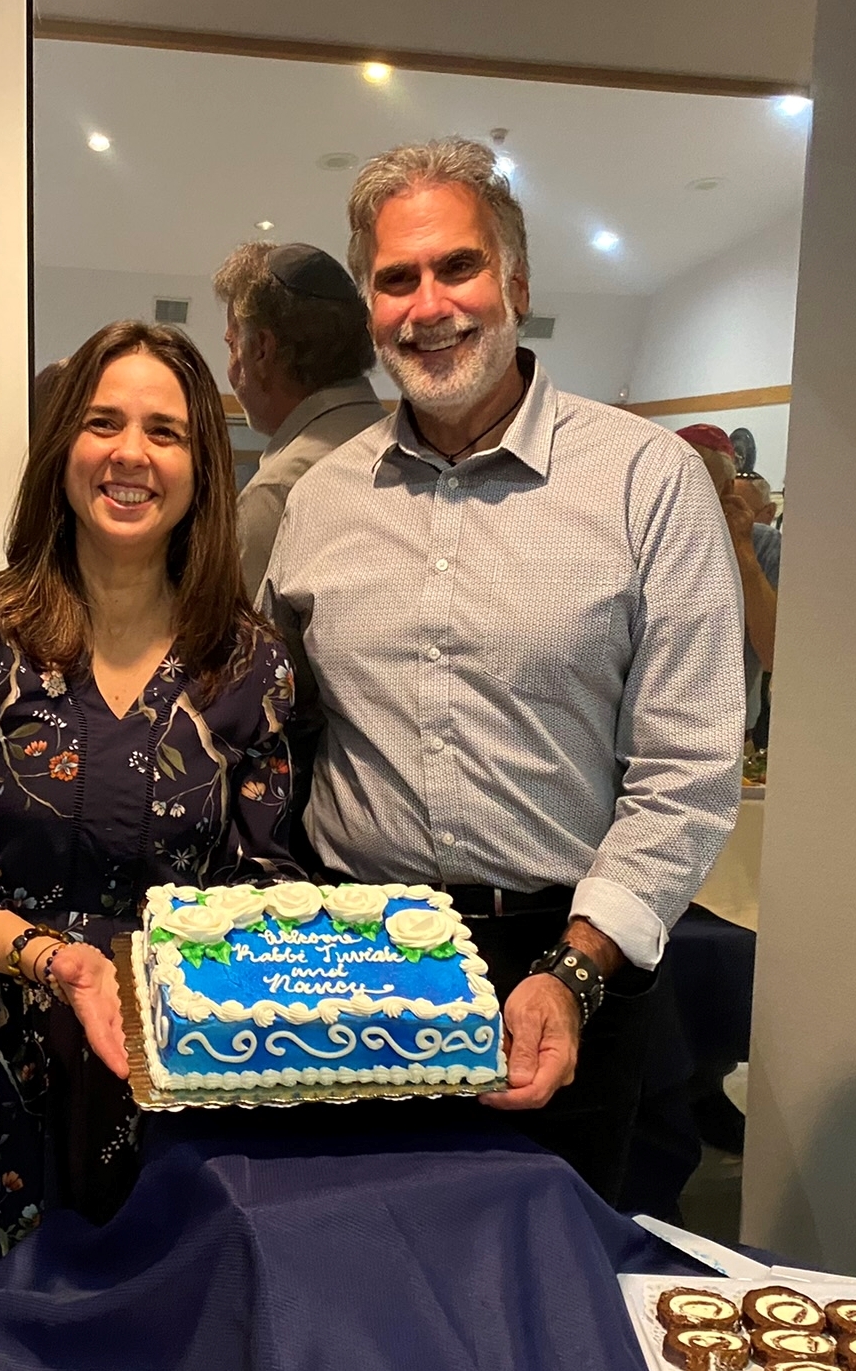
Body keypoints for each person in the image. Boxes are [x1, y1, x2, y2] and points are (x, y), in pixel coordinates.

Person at [261, 138, 746, 1203]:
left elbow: (688, 772)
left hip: (568, 966)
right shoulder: (321, 502)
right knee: (356, 1282)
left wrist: (575, 970)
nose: (429, 305)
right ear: (370, 308)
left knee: (542, 1291)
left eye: (458, 267)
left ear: (516, 281)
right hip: (356, 965)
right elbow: (272, 733)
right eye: (397, 279)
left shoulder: (647, 483)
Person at [0, 321, 302, 1347]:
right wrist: (66, 966)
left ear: (202, 469)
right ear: (62, 449)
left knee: (156, 1336)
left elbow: (263, 883)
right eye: (103, 423)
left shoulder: (250, 665)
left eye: (165, 431)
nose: (131, 454)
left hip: (171, 1076)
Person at [213, 242, 385, 597]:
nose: (230, 367)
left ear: (261, 349)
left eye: (232, 345)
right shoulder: (415, 451)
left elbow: (238, 649)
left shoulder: (278, 494)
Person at [677, 423, 779, 730]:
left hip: (725, 729)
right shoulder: (644, 536)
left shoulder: (762, 545)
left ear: (726, 490)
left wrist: (743, 553)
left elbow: (776, 654)